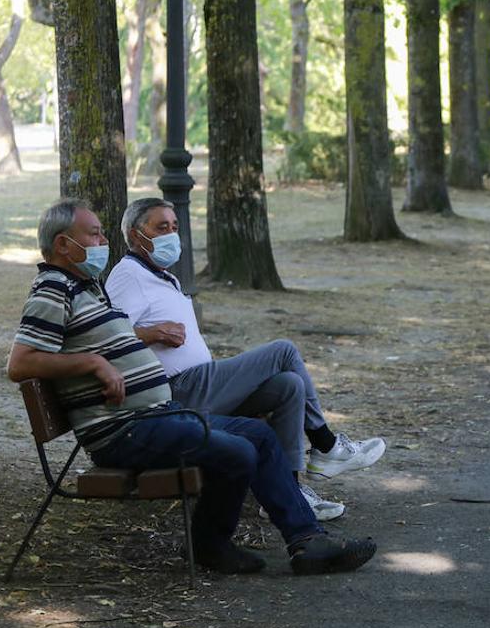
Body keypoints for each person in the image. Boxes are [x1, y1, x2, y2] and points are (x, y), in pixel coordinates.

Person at [7, 198, 377, 575]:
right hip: (124, 430)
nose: (103, 240)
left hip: (153, 416)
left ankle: (306, 542)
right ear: (63, 244)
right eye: (94, 233)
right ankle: (210, 544)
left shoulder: (87, 288)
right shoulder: (53, 290)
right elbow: (20, 363)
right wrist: (94, 362)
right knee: (238, 450)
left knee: (259, 436)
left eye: (102, 232)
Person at [105, 198, 387, 522]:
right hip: (178, 393)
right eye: (161, 227)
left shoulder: (160, 275)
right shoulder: (128, 274)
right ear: (135, 235)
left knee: (288, 385)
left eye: (175, 227)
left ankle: (289, 492)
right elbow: (110, 336)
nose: (172, 234)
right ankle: (326, 446)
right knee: (283, 351)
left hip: (200, 385)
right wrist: (152, 333)